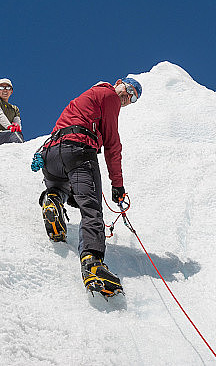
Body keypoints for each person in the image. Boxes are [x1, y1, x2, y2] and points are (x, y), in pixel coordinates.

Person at [38, 76, 142, 298]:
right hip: (79, 151)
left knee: (62, 188)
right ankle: (93, 264)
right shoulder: (110, 96)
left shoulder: (87, 98)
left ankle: (53, 199)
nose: (128, 97)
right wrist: (117, 185)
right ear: (118, 83)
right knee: (91, 208)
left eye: (133, 98)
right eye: (129, 90)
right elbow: (112, 145)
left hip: (51, 154)